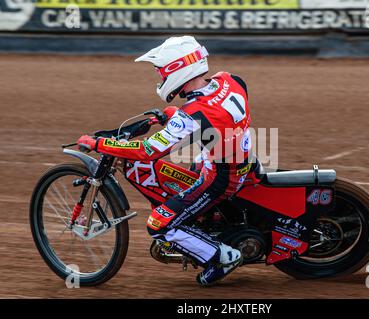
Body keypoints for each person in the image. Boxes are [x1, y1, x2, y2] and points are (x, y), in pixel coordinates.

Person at [77, 35, 252, 286]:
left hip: (222, 176)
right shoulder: (230, 80)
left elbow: (149, 150)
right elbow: (215, 118)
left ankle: (222, 257)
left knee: (159, 223)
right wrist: (173, 115)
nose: (159, 77)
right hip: (237, 157)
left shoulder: (192, 113)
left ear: (178, 69)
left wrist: (98, 143)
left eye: (160, 71)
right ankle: (204, 227)